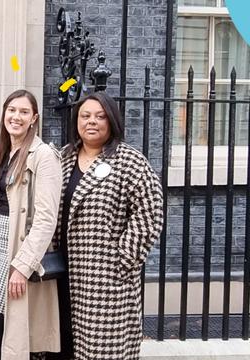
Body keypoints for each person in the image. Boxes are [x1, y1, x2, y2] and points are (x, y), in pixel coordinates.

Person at [51, 92, 163, 360]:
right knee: (62, 344)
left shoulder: (129, 161)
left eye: (100, 116)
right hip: (61, 271)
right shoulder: (64, 157)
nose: (92, 122)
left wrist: (121, 260)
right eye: (85, 116)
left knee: (100, 349)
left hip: (104, 279)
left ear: (112, 120)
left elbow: (151, 211)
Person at [0, 90, 62, 359]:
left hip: (18, 249)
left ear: (34, 118)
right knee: (3, 330)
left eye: (24, 112)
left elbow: (46, 218)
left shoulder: (43, 155)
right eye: (11, 110)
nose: (16, 116)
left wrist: (22, 267)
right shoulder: (5, 150)